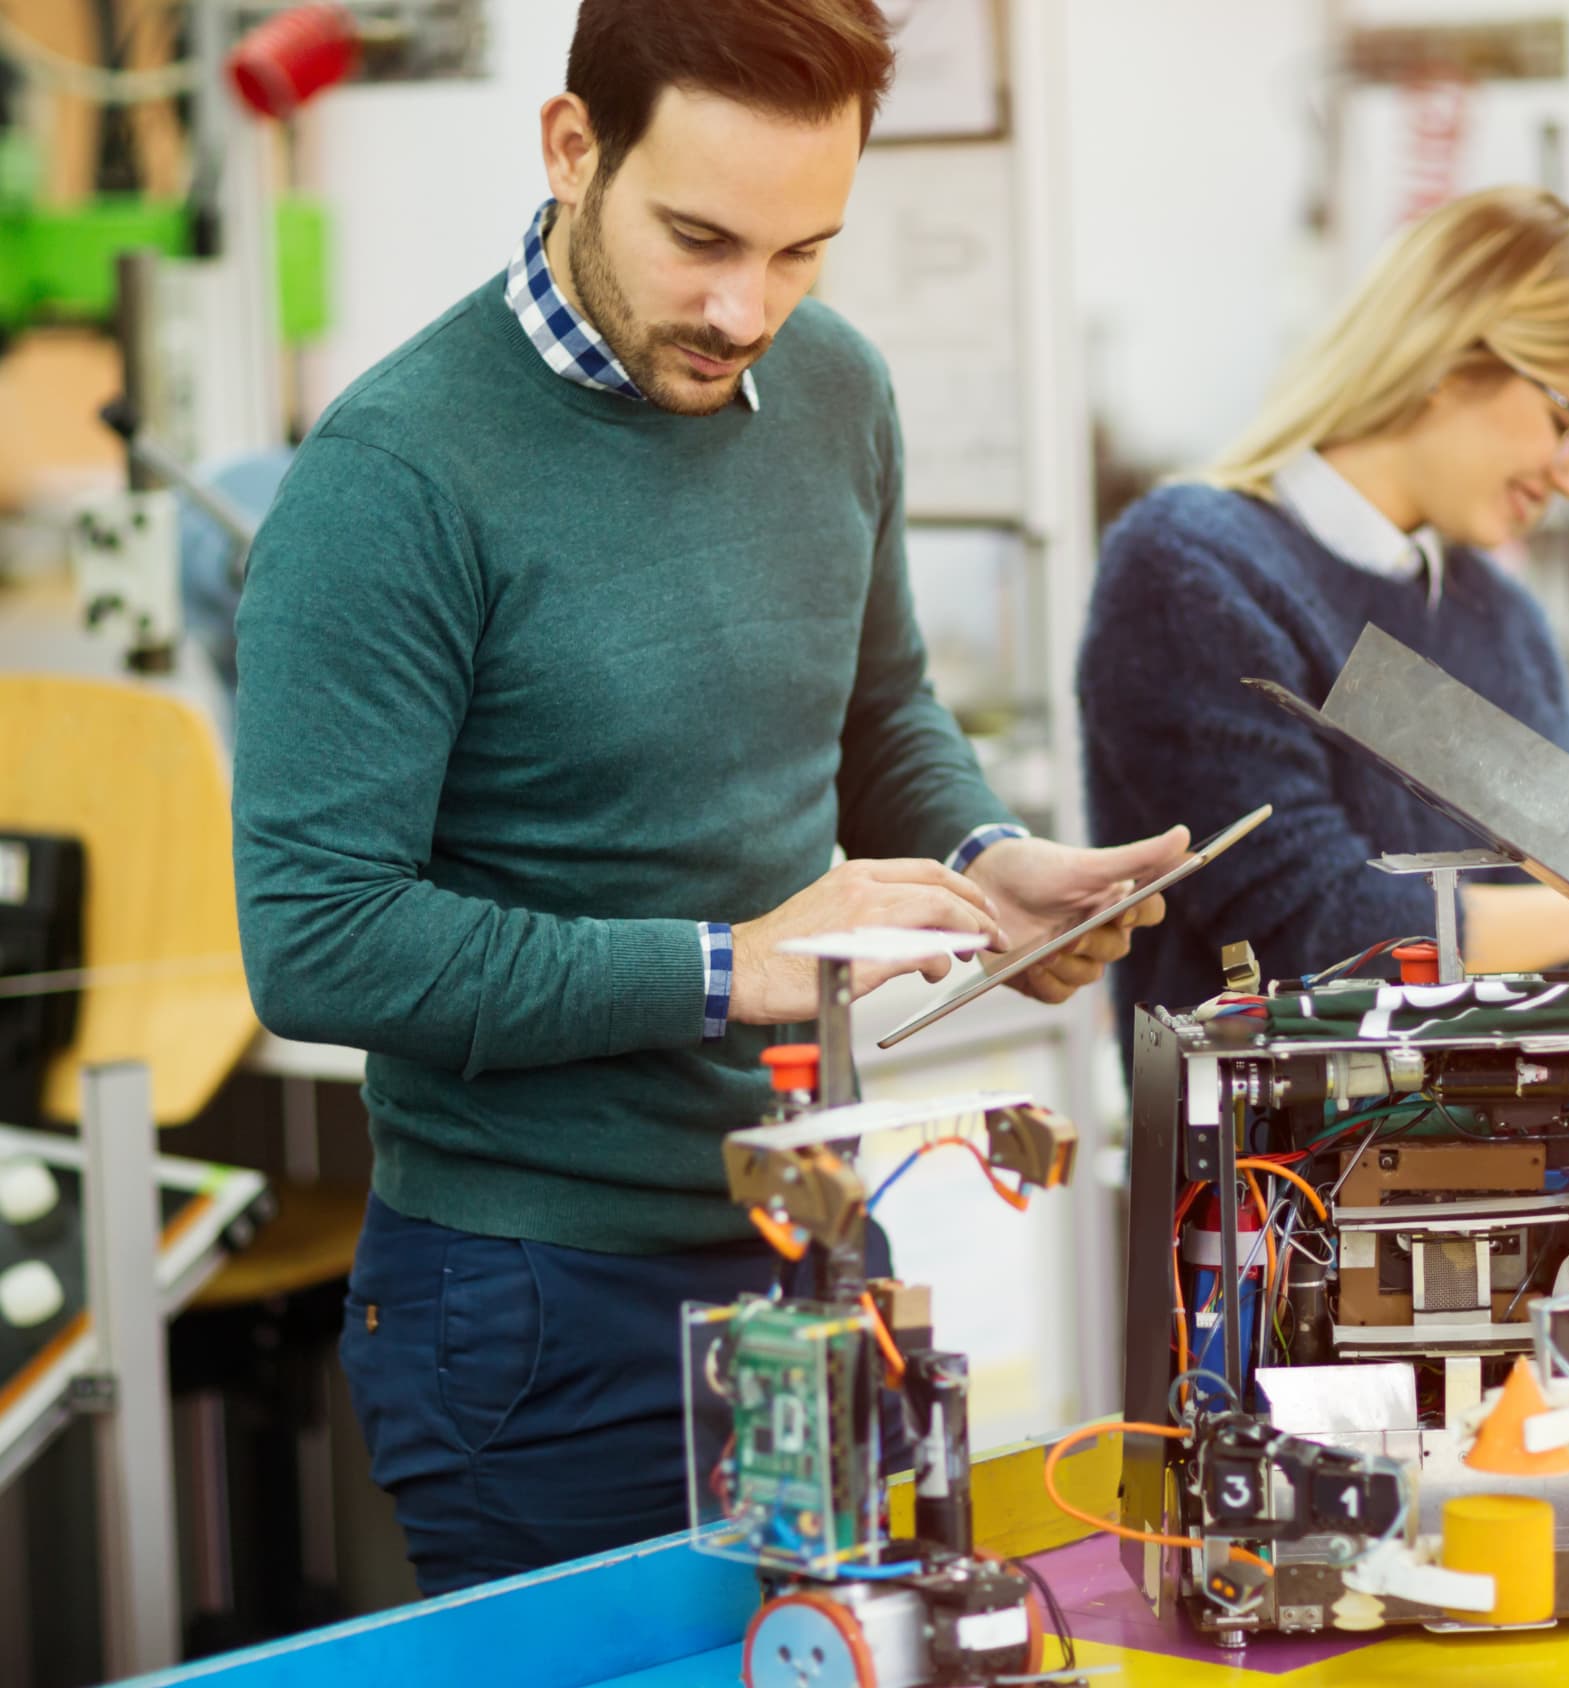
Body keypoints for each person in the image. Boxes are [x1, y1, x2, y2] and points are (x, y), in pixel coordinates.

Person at [233, 0, 1186, 1596]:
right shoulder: (391, 478)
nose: (747, 308)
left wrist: (985, 857)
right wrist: (730, 965)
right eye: (700, 240)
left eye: (804, 251)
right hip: (535, 1304)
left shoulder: (836, 391)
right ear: (570, 147)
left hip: (815, 1236)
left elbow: (877, 713)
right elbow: (321, 942)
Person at [1080, 185, 1569, 1034]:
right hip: (1285, 1161)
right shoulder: (1196, 568)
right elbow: (1327, 942)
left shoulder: (1500, 618)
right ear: (1449, 357)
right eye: (1567, 423)